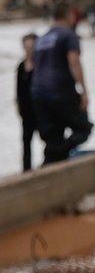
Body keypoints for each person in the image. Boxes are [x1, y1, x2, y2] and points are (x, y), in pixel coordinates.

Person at [31, 0, 94, 165]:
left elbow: (35, 66)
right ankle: (59, 152)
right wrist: (84, 92)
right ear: (69, 15)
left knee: (53, 135)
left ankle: (51, 162)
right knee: (84, 128)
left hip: (38, 93)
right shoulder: (68, 35)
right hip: (60, 90)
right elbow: (74, 62)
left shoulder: (41, 39)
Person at [16, 33, 38, 172]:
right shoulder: (21, 66)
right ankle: (26, 170)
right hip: (26, 112)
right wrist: (18, 105)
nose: (29, 50)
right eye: (26, 47)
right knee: (26, 143)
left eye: (32, 47)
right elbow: (18, 89)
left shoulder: (42, 66)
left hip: (41, 110)